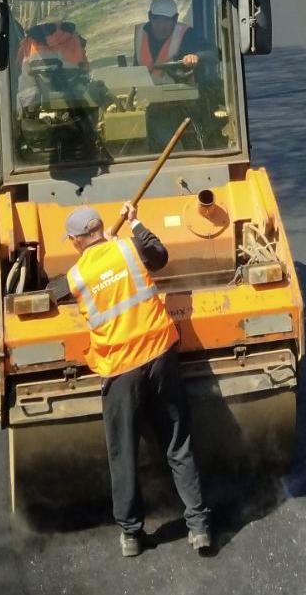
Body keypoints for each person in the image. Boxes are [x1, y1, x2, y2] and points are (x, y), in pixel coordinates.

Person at [48, 203, 211, 558]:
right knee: (177, 442)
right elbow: (160, 255)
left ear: (75, 241)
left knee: (122, 451)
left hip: (121, 369)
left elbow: (53, 290)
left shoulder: (77, 276)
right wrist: (135, 223)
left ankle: (132, 535)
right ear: (102, 229)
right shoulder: (128, 247)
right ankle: (199, 526)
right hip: (160, 356)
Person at [134, 0, 201, 83]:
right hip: (143, 92)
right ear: (149, 16)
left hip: (179, 92)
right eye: (157, 20)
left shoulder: (187, 34)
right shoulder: (140, 33)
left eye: (167, 20)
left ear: (175, 18)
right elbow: (135, 67)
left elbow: (210, 52)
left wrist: (195, 56)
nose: (161, 26)